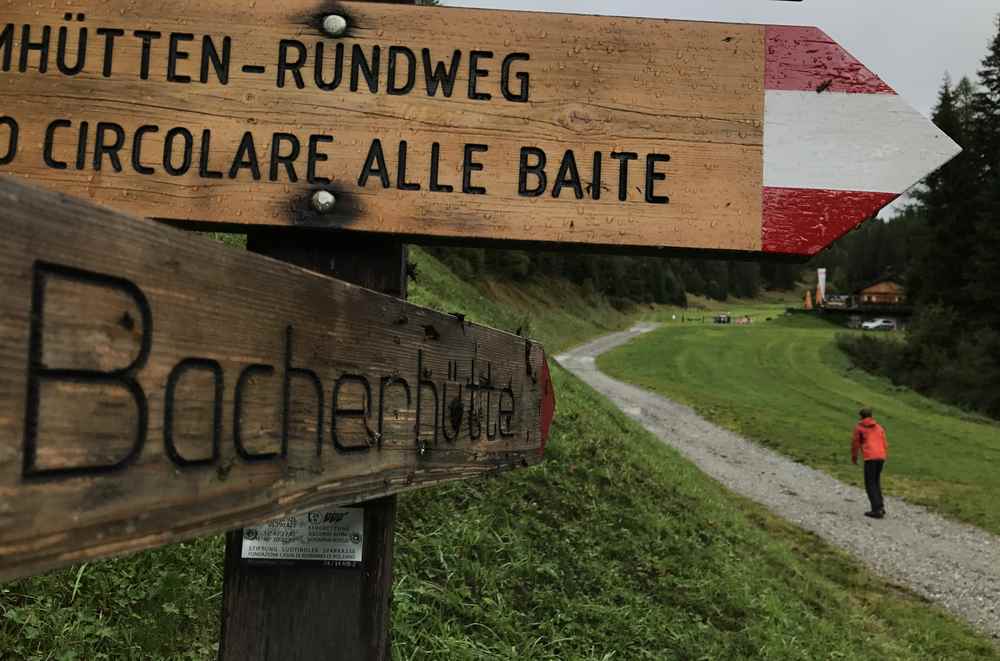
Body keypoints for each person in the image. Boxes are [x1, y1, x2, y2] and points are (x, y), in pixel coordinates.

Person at [851, 407, 888, 519]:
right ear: (871, 416)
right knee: (876, 481)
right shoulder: (879, 427)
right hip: (881, 456)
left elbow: (855, 444)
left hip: (870, 457)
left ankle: (876, 510)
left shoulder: (859, 428)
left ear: (861, 416)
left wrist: (854, 457)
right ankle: (880, 507)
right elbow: (885, 443)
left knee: (870, 483)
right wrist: (883, 455)